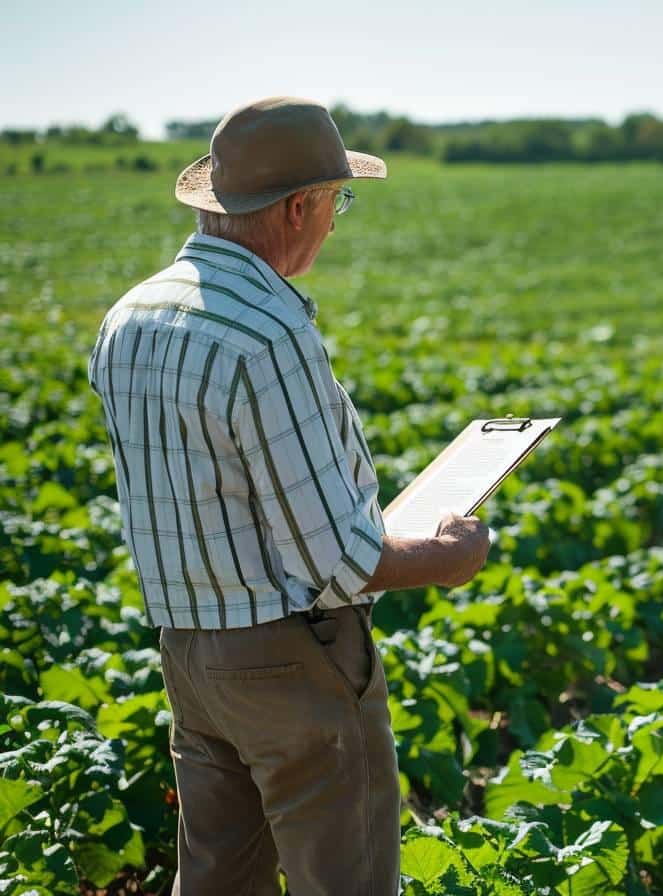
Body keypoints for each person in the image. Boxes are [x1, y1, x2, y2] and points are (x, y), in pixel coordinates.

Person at [86, 96, 491, 895]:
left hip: (191, 657)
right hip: (293, 664)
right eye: (336, 201)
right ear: (297, 206)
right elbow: (336, 561)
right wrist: (447, 558)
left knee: (214, 880)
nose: (336, 222)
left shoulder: (128, 316)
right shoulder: (268, 330)